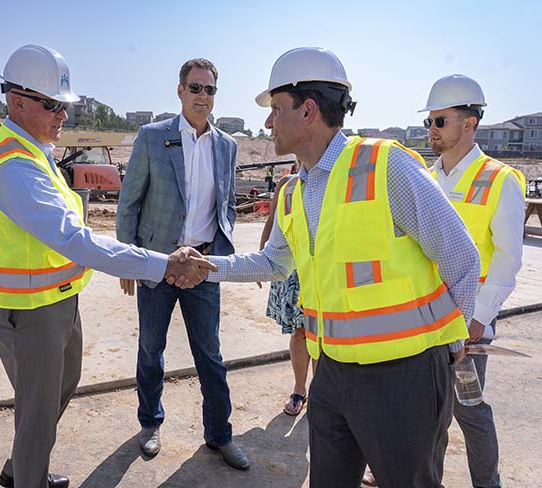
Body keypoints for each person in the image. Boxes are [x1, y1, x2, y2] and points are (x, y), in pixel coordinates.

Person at [191, 47, 480, 487]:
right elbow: (272, 262)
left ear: (307, 110)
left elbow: (461, 255)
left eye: (275, 109)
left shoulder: (386, 165)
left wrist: (450, 344)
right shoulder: (292, 192)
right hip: (332, 375)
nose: (268, 122)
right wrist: (205, 266)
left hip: (405, 377)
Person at [0, 45, 216, 488]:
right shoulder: (13, 166)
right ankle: (27, 478)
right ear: (18, 101)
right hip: (27, 311)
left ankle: (20, 466)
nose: (63, 116)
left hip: (57, 301)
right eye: (53, 106)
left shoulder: (35, 149)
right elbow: (74, 239)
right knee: (38, 407)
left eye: (66, 107)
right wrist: (162, 263)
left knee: (57, 392)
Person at [116, 58, 249, 470]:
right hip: (158, 264)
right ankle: (150, 424)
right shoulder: (153, 137)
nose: (203, 97)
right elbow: (129, 203)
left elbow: (225, 204)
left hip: (203, 265)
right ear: (179, 91)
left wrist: (222, 257)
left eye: (210, 90)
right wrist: (129, 260)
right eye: (195, 88)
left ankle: (220, 435)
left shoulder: (226, 146)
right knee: (151, 349)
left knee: (210, 354)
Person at [420, 74, 526, 488]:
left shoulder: (500, 179)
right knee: (430, 410)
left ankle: (488, 483)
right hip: (426, 317)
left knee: (469, 406)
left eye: (440, 121)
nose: (432, 129)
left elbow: (507, 258)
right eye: (429, 121)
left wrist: (480, 318)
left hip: (469, 322)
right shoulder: (425, 177)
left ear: (469, 124)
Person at [259, 170, 314, 416]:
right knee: (299, 332)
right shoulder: (286, 183)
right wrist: (262, 262)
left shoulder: (336, 177)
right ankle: (299, 389)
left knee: (322, 335)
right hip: (292, 270)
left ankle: (322, 391)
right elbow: (273, 221)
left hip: (321, 269)